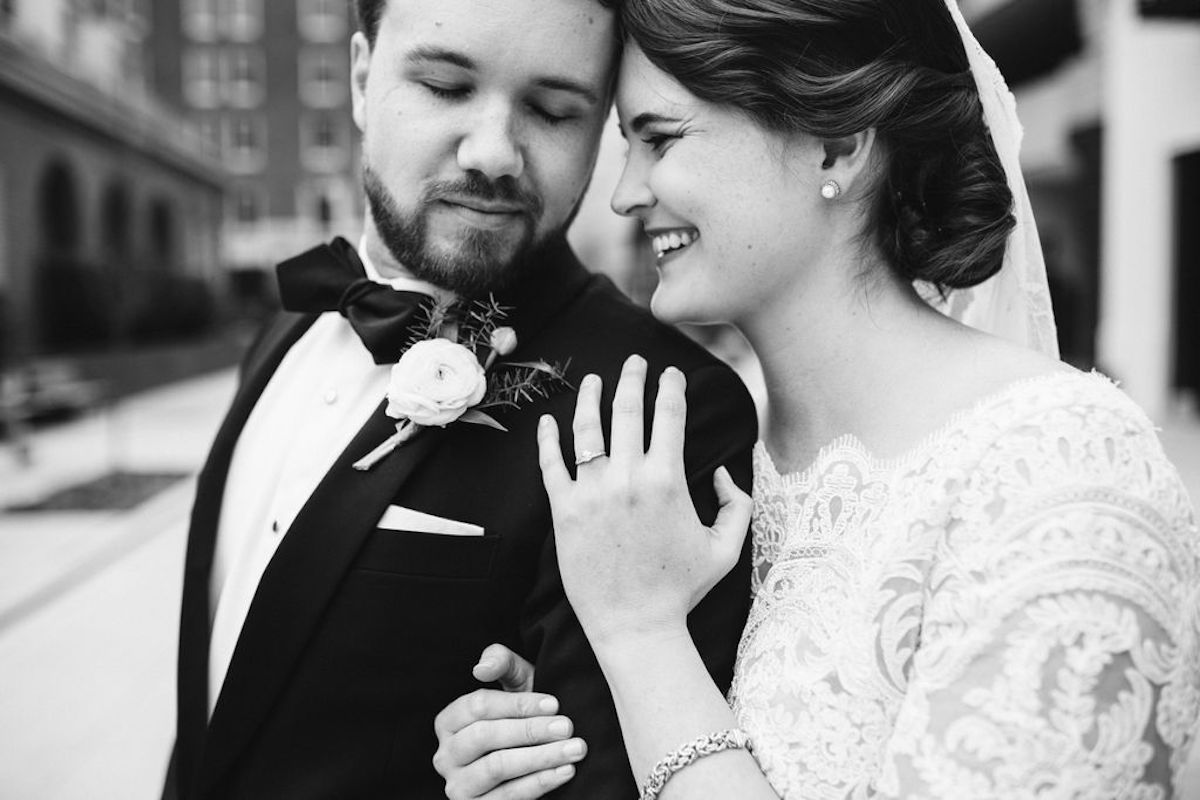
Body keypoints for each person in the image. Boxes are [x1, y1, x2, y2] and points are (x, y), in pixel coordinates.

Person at [432, 0, 1200, 797]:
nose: (626, 195)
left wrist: (639, 638)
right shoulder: (715, 453)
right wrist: (572, 727)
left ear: (835, 144)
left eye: (660, 139)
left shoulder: (1058, 472)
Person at [161, 0, 759, 797]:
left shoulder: (657, 409)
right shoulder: (285, 330)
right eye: (445, 86)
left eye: (552, 110)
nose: (493, 155)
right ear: (361, 76)